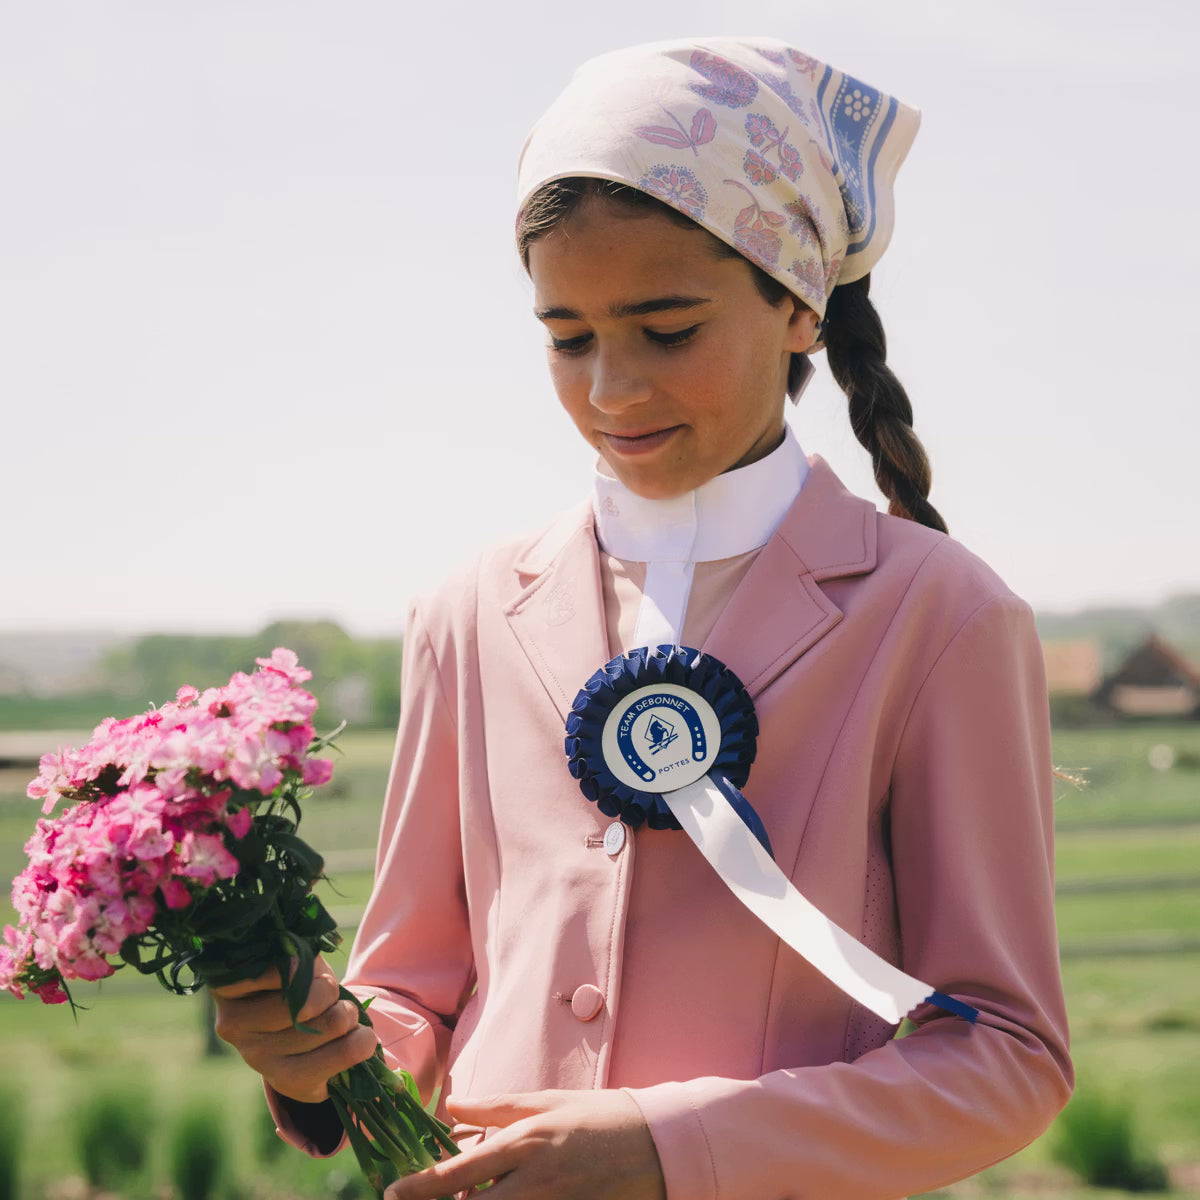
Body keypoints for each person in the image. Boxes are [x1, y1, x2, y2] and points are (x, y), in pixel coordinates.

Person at [212, 37, 1073, 1200]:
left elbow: (1008, 1055)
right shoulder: (465, 612)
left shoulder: (944, 617)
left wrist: (677, 1150)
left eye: (668, 329)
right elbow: (410, 994)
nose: (611, 390)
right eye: (567, 338)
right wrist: (320, 1047)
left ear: (800, 308)